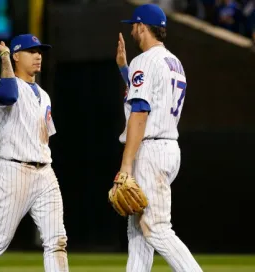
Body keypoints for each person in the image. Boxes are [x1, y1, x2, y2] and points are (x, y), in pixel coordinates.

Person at [0, 30, 69, 272]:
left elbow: (45, 134)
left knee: (57, 241)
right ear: (15, 56)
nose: (38, 56)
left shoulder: (44, 95)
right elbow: (9, 94)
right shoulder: (3, 88)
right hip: (15, 171)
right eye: (31, 51)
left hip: (45, 172)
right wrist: (3, 57)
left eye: (40, 52)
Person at [115, 4, 203, 272]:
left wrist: (126, 165)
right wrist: (123, 69)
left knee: (156, 230)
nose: (132, 30)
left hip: (150, 150)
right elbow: (143, 94)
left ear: (143, 26)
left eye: (134, 25)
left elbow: (140, 112)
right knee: (139, 233)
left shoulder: (145, 60)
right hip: (167, 148)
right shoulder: (174, 62)